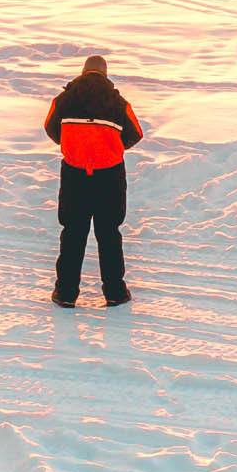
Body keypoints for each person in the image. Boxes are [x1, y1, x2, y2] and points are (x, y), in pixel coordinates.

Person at [43, 54, 144, 307]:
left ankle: (65, 293)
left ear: (83, 72)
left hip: (74, 173)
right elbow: (136, 133)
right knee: (109, 234)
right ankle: (115, 293)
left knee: (73, 233)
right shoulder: (118, 102)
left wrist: (73, 146)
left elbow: (50, 127)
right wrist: (110, 148)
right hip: (109, 175)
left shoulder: (63, 100)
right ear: (105, 74)